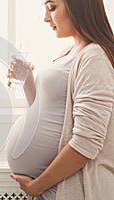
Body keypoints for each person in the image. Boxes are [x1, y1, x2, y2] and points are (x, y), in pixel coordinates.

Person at [6, 0, 114, 199]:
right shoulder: (69, 52)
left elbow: (86, 142)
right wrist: (27, 81)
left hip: (71, 189)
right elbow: (46, 114)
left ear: (79, 6)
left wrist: (38, 185)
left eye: (52, 7)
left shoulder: (94, 57)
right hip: (51, 188)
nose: (46, 18)